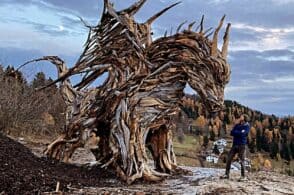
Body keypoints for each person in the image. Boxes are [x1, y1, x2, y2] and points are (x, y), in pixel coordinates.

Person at [221, 114, 250, 181]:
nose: (240, 117)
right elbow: (232, 133)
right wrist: (239, 132)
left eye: (242, 116)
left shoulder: (247, 126)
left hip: (241, 145)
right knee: (229, 158)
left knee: (242, 160)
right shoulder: (237, 125)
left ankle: (243, 176)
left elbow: (243, 134)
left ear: (245, 118)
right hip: (234, 145)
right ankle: (226, 174)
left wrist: (237, 132)